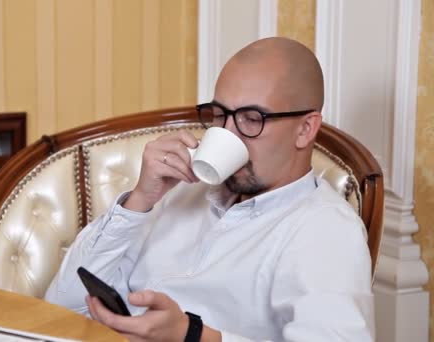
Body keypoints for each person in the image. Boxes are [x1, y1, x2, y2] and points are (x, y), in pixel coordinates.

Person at [45, 37, 374, 341]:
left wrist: (194, 335)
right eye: (219, 115)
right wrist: (140, 200)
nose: (227, 134)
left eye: (251, 118)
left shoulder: (326, 230)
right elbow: (63, 306)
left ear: (305, 129)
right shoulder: (183, 192)